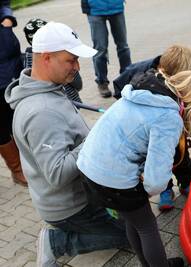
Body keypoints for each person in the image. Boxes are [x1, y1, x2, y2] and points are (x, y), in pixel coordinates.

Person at [5, 21, 131, 267]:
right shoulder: (40, 111)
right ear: (46, 58)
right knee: (132, 234)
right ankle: (57, 241)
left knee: (133, 219)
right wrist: (97, 137)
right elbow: (58, 174)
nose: (76, 67)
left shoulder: (48, 88)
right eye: (70, 60)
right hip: (70, 207)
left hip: (78, 194)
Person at [77, 69, 191, 267]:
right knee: (147, 226)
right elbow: (157, 180)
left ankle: (149, 264)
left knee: (133, 220)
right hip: (112, 176)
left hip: (89, 166)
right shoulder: (168, 117)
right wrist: (149, 190)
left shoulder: (148, 90)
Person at [113, 44, 191, 211]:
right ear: (162, 69)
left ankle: (187, 182)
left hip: (171, 120)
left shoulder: (179, 75)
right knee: (158, 160)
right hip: (149, 128)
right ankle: (165, 189)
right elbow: (118, 86)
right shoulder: (138, 72)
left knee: (181, 153)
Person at [23, 18, 83, 103]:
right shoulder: (43, 109)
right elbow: (78, 84)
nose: (77, 67)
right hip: (72, 100)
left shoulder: (27, 59)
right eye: (72, 60)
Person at [0, 0, 27, 186]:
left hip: (5, 44)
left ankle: (27, 165)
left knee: (16, 115)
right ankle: (17, 170)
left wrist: (7, 18)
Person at [81, 0, 131, 98]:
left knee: (123, 46)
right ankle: (102, 82)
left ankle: (127, 78)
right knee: (100, 49)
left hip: (116, 6)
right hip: (95, 9)